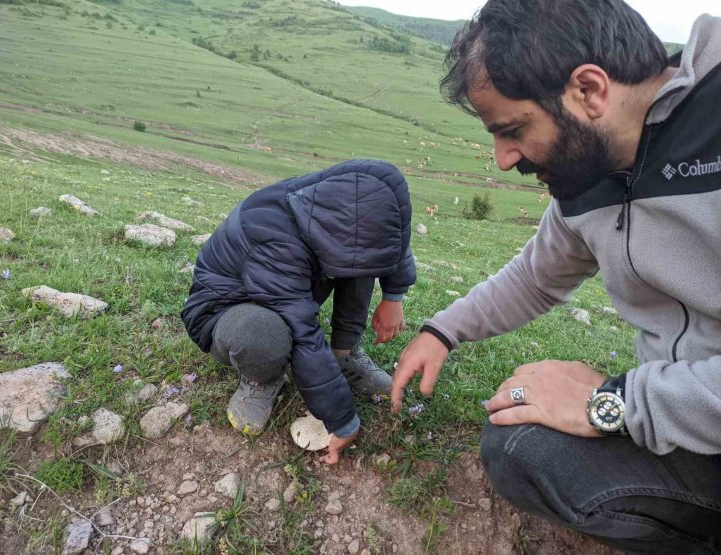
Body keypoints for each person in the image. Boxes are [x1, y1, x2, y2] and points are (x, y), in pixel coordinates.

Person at [391, 1, 721, 552]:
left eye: (514, 129)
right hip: (687, 419)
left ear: (589, 90)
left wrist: (612, 402)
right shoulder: (589, 171)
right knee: (518, 445)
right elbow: (536, 277)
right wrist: (442, 330)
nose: (502, 158)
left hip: (674, 405)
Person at [182, 159, 415, 464]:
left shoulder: (347, 199)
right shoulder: (273, 238)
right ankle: (262, 377)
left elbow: (391, 233)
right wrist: (342, 421)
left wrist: (393, 295)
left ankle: (343, 355)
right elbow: (304, 334)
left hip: (282, 289)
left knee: (362, 257)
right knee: (265, 334)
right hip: (227, 309)